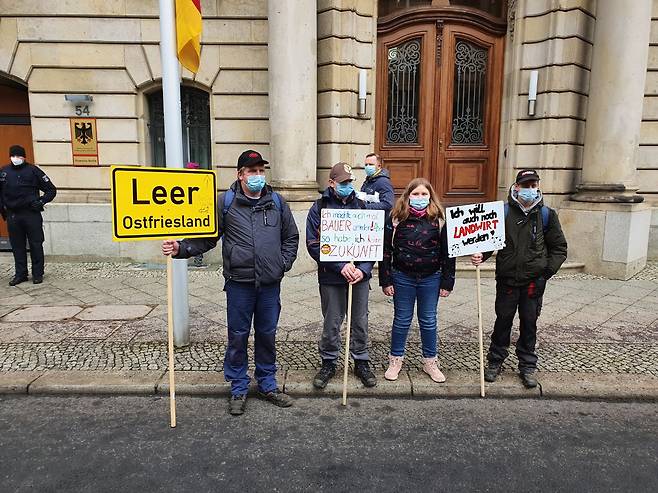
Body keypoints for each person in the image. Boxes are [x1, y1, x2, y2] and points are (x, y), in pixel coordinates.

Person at [162, 150, 299, 416]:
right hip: (239, 283)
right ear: (240, 175)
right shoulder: (225, 203)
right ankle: (238, 387)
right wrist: (181, 248)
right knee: (237, 336)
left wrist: (283, 264)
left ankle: (268, 384)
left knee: (267, 334)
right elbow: (207, 238)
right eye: (252, 171)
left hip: (270, 285)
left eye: (261, 171)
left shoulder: (277, 203)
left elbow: (290, 237)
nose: (258, 176)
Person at [471, 169, 567, 388]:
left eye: (533, 186)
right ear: (516, 187)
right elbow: (489, 241)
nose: (530, 190)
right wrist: (481, 255)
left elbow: (559, 248)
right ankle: (495, 361)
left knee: (529, 324)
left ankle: (527, 365)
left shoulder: (546, 215)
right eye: (526, 186)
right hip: (507, 280)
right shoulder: (502, 212)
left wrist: (545, 273)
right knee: (502, 321)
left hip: (534, 282)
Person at [306, 162, 377, 389]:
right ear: (332, 183)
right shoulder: (319, 207)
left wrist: (363, 269)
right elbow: (313, 244)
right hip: (331, 277)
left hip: (359, 277)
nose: (348, 186)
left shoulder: (363, 206)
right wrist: (339, 265)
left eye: (350, 182)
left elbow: (372, 243)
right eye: (343, 182)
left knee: (360, 320)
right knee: (332, 321)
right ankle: (328, 361)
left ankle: (361, 361)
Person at [379, 178, 455, 383]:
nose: (420, 198)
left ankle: (430, 361)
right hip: (402, 277)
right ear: (407, 196)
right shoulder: (395, 218)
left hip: (431, 278)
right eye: (415, 194)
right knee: (402, 320)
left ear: (430, 196)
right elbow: (386, 251)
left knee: (428, 321)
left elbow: (449, 253)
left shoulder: (439, 220)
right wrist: (385, 280)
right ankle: (395, 359)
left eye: (424, 194)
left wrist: (448, 282)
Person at [0, 145, 57, 286]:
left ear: (24, 157)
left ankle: (37, 274)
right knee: (17, 246)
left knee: (36, 244)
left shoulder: (33, 171)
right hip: (13, 214)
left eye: (19, 156)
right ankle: (21, 274)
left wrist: (42, 201)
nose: (16, 159)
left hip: (31, 213)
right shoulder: (4, 172)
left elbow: (51, 190)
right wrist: (3, 209)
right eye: (13, 156)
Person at [184, 161, 205, 267]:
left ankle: (198, 259)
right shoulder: (185, 182)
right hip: (187, 214)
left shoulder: (201, 181)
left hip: (198, 214)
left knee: (198, 237)